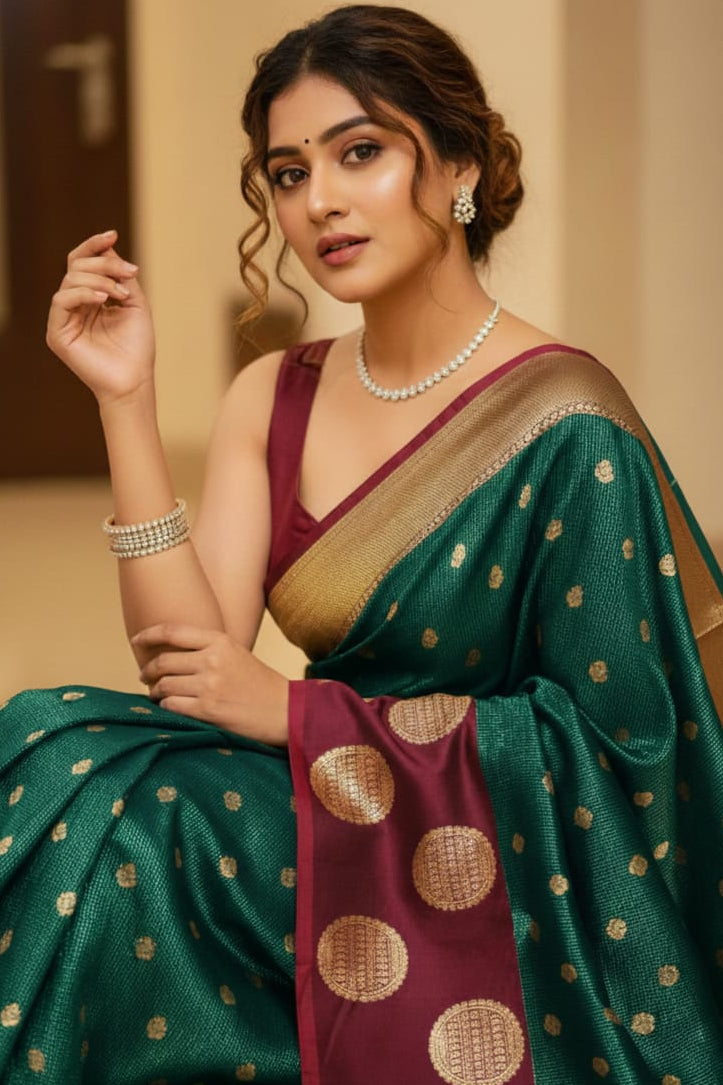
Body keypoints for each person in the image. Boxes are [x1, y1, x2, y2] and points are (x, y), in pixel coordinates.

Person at [1, 5, 722, 1083]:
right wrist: (126, 402)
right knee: (53, 744)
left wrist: (299, 711)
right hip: (318, 798)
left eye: (362, 152)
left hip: (501, 871)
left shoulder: (569, 421)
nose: (320, 200)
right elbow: (188, 664)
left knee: (133, 836)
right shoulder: (276, 393)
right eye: (288, 172)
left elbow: (622, 752)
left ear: (460, 166)